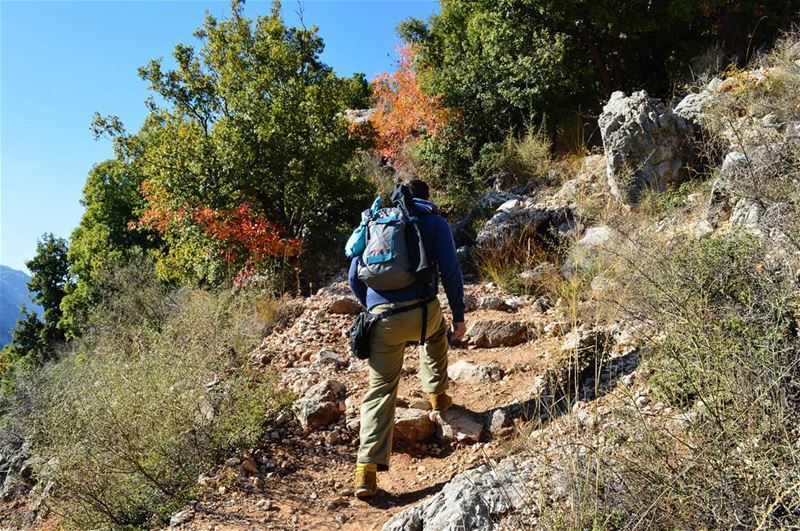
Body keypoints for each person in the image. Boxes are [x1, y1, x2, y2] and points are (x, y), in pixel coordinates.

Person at [348, 178, 466, 499]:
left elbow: (352, 276)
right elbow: (452, 271)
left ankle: (365, 472)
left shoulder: (377, 223)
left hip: (381, 320)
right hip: (422, 314)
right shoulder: (433, 222)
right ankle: (437, 396)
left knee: (381, 389)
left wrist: (374, 307)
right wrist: (458, 315)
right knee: (437, 333)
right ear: (426, 197)